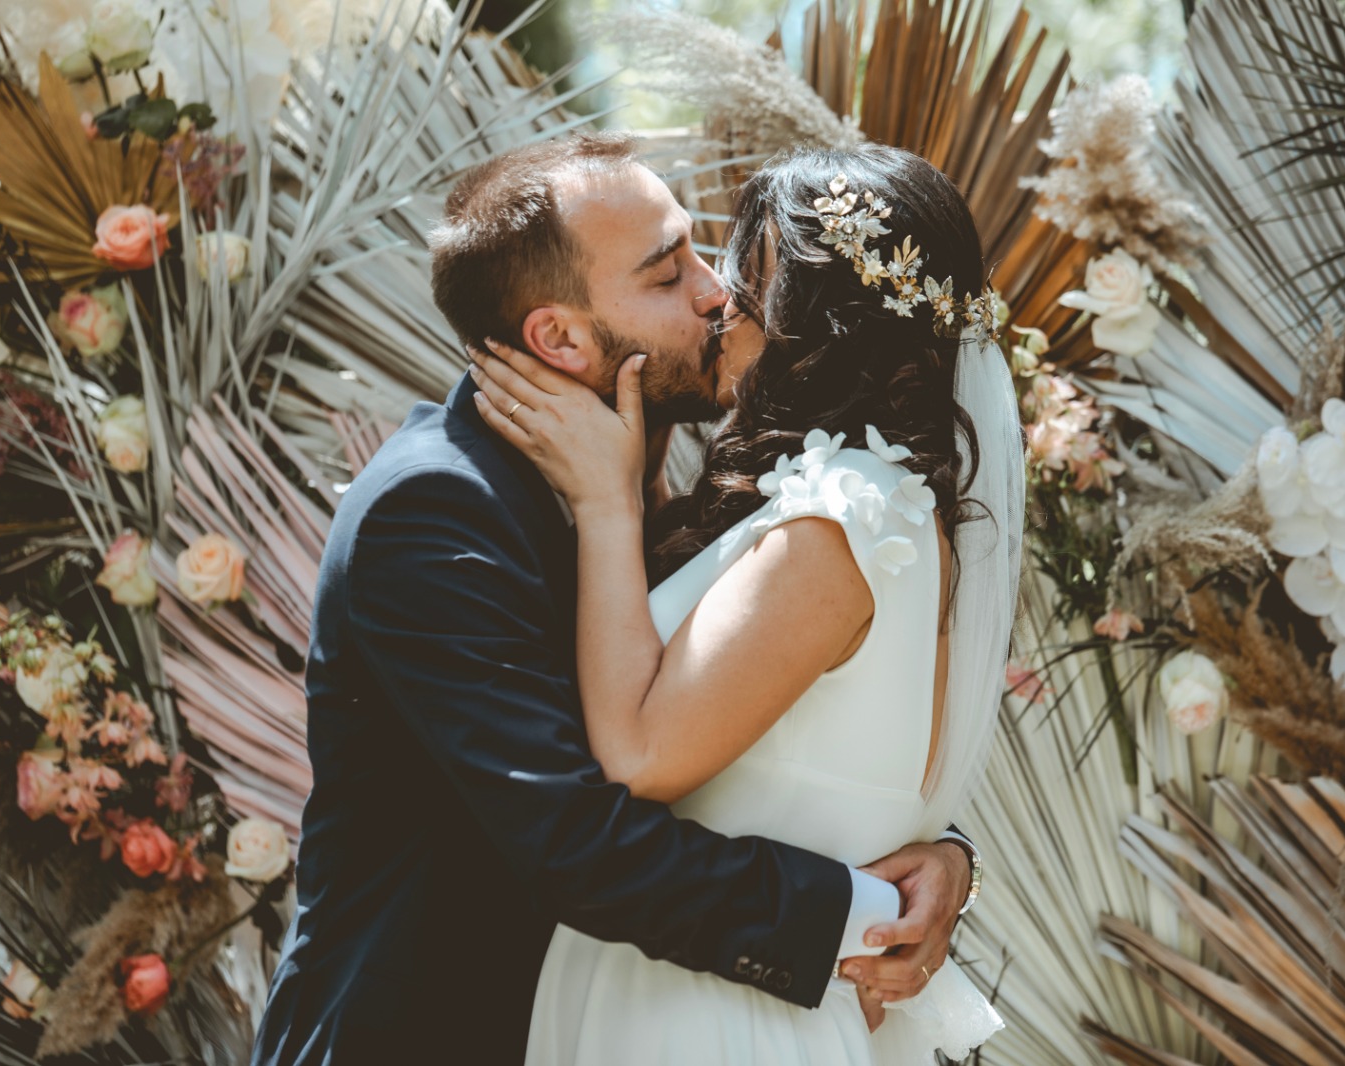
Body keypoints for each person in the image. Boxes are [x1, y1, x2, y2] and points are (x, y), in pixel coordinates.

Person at [250, 134, 985, 1065]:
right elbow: (582, 842)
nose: (717, 292)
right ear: (559, 337)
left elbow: (784, 713)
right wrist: (867, 912)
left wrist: (945, 860)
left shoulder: (653, 463)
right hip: (424, 1032)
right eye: (667, 273)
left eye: (697, 250)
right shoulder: (433, 511)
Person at [470, 142, 1024, 1063]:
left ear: (813, 315)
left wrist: (605, 507)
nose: (718, 300)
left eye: (740, 273)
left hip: (709, 1018)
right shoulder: (867, 501)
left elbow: (643, 756)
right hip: (703, 989)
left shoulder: (838, 517)